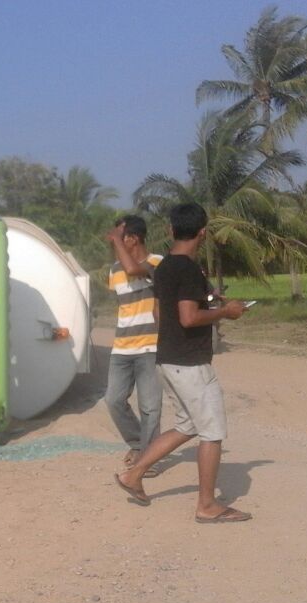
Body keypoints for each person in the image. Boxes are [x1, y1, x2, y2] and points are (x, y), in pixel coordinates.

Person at [114, 203, 251, 524]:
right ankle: (207, 505)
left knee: (187, 426)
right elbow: (188, 317)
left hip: (166, 359)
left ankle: (134, 476)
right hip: (190, 364)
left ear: (172, 230)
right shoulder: (189, 269)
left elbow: (161, 314)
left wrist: (207, 305)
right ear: (203, 232)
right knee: (212, 432)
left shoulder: (163, 267)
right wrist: (224, 312)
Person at [105, 215, 165, 477]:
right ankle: (138, 444)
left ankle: (148, 459)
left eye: (120, 237)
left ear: (134, 238)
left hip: (150, 347)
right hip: (121, 348)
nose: (115, 243)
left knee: (150, 407)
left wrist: (115, 238)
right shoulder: (113, 270)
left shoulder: (158, 263)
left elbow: (134, 270)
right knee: (113, 400)